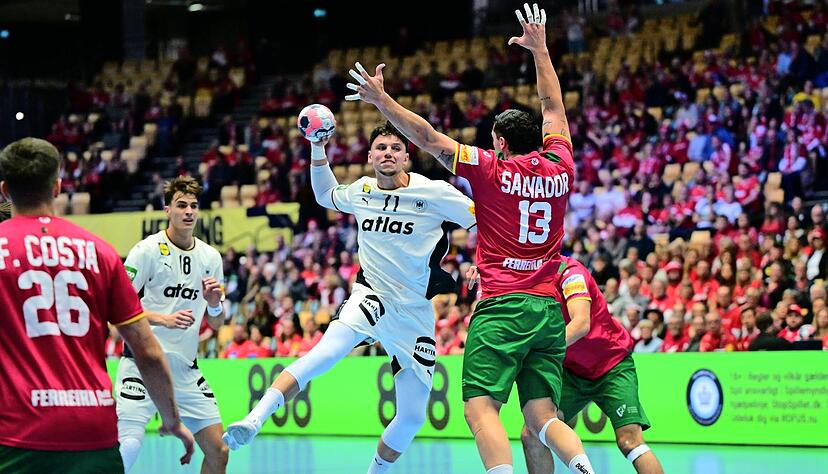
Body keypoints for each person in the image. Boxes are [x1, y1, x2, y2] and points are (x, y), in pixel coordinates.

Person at [345, 4, 594, 473]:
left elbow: (428, 137)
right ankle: (586, 468)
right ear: (536, 139)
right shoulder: (561, 164)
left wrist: (382, 102)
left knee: (481, 409)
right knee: (541, 415)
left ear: (499, 141)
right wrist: (541, 49)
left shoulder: (489, 168)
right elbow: (554, 106)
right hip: (546, 309)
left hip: (501, 306)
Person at [222, 122, 476, 474]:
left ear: (406, 157)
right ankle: (254, 418)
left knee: (413, 416)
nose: (388, 153)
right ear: (370, 156)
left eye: (395, 148)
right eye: (381, 148)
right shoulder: (362, 191)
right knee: (324, 353)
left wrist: (482, 262)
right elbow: (326, 195)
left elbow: (483, 222)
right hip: (370, 295)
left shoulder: (434, 193)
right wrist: (316, 147)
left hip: (414, 313)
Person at [0, 138, 194, 473]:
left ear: (5, 190)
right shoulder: (100, 252)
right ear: (58, 187)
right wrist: (172, 419)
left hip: (16, 435)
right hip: (94, 432)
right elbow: (146, 351)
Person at [471, 255, 663, 473]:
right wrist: (482, 271)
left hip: (611, 365)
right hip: (571, 371)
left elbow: (581, 323)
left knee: (629, 441)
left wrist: (541, 352)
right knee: (532, 433)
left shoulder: (571, 272)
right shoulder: (527, 276)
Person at [116, 176, 227, 473]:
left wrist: (214, 303)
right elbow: (117, 306)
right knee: (128, 446)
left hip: (185, 370)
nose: (188, 211)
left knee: (219, 451)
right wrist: (161, 318)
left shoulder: (211, 258)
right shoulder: (147, 250)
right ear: (167, 210)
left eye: (193, 205)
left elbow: (217, 323)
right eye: (181, 205)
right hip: (141, 363)